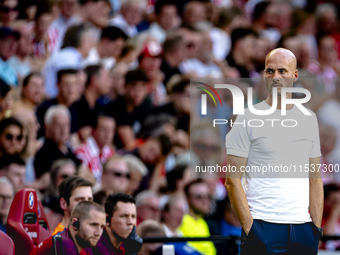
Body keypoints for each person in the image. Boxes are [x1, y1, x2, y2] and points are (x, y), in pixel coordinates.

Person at [225, 48, 323, 254]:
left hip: (303, 228)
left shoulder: (308, 119)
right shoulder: (247, 118)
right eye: (270, 71)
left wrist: (315, 228)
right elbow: (232, 180)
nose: (275, 77)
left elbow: (315, 178)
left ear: (295, 75)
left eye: (282, 71)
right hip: (262, 226)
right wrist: (250, 228)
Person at [30, 200, 106, 255]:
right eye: (93, 225)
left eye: (102, 226)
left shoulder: (86, 245)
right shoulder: (64, 244)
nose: (98, 233)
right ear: (75, 224)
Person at [43, 24, 95, 98]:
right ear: (82, 41)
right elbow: (67, 88)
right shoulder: (68, 57)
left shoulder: (71, 56)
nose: (92, 45)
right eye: (90, 40)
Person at [105, 69, 151, 149]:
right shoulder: (117, 106)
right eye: (133, 85)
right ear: (125, 86)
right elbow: (129, 145)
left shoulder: (143, 106)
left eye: (142, 86)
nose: (138, 91)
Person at [34, 105, 82, 180]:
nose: (63, 130)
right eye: (58, 125)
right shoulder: (43, 154)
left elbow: (83, 170)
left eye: (66, 125)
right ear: (47, 128)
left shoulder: (68, 150)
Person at [72, 64, 112, 141]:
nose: (109, 82)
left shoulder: (98, 106)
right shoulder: (80, 105)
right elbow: (86, 137)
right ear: (94, 80)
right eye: (106, 78)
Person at [36, 68, 79, 136]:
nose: (71, 89)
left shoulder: (77, 109)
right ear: (57, 84)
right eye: (66, 84)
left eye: (74, 84)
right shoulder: (45, 109)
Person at [179, 179, 216, 255]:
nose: (205, 200)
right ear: (187, 198)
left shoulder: (203, 223)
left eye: (208, 196)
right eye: (199, 196)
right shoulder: (181, 221)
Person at [75, 113, 115, 184]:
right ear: (93, 130)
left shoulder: (110, 152)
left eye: (111, 130)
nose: (108, 133)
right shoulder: (81, 152)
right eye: (104, 129)